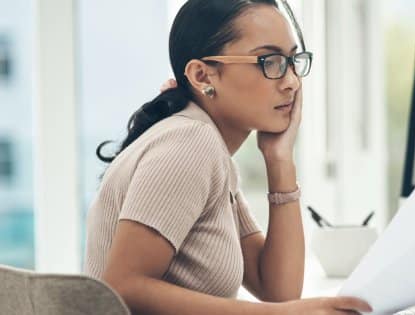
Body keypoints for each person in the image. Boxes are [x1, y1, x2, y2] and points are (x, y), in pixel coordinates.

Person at [83, 0, 372, 314]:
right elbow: (123, 287)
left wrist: (280, 159)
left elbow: (278, 289)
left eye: (292, 61)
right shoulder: (190, 141)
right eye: (269, 61)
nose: (291, 81)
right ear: (202, 76)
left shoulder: (210, 149)